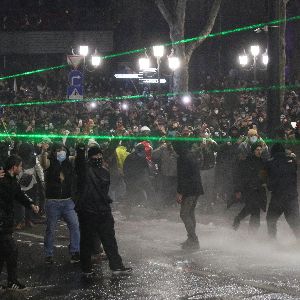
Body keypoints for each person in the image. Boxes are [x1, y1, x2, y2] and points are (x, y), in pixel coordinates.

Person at [75, 145, 132, 276]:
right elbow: (79, 165)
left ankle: (116, 265)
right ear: (89, 158)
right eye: (95, 156)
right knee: (87, 241)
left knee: (110, 240)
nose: (98, 158)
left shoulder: (105, 172)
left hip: (103, 210)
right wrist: (80, 151)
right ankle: (86, 268)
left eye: (100, 155)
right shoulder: (85, 171)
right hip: (88, 211)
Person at [0, 155, 39, 290]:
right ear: (14, 167)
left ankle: (11, 281)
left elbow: (19, 195)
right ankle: (12, 281)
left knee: (3, 252)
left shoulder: (12, 181)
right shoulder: (2, 180)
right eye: (20, 166)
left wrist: (31, 204)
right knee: (11, 250)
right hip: (2, 223)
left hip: (5, 223)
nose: (21, 168)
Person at [40, 142, 80, 264]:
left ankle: (75, 251)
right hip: (52, 202)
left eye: (63, 149)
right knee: (51, 229)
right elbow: (43, 163)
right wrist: (43, 152)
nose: (61, 152)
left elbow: (79, 158)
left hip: (67, 201)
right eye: (58, 150)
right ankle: (48, 254)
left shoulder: (69, 163)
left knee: (75, 225)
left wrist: (81, 149)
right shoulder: (50, 162)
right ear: (54, 151)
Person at [266, 143, 300, 239]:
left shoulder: (270, 163)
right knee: (295, 223)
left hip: (278, 197)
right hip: (292, 197)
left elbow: (266, 178)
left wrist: (269, 187)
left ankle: (272, 240)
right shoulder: (292, 161)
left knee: (271, 219)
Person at [174, 142, 203, 250]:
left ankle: (193, 239)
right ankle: (191, 239)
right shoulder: (191, 155)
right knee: (190, 213)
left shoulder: (182, 158)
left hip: (189, 190)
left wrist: (180, 192)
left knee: (184, 214)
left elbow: (183, 176)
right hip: (196, 188)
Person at [233, 142, 267, 232]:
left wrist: (264, 182)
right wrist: (238, 190)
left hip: (259, 190)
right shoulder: (247, 161)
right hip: (249, 189)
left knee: (253, 210)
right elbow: (241, 176)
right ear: (253, 150)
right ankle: (251, 232)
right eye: (257, 150)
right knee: (253, 209)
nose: (259, 152)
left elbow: (264, 175)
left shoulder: (263, 162)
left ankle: (240, 220)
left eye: (260, 150)